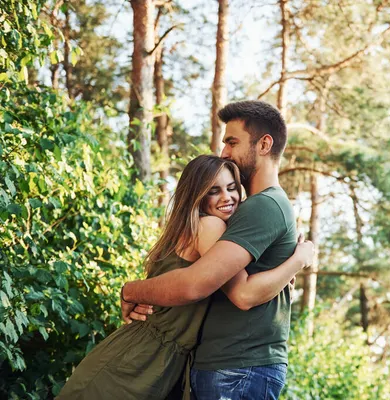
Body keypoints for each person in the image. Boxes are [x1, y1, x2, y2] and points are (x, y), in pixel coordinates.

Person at [57, 155, 313, 400]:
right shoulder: (210, 226)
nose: (227, 197)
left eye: (232, 188)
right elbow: (242, 291)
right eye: (214, 191)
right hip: (141, 359)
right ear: (197, 195)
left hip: (154, 358)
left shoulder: (193, 227)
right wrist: (296, 261)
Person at [122, 100, 299, 399]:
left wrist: (131, 291)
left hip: (238, 369)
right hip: (230, 366)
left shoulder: (264, 205)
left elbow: (205, 285)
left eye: (232, 142)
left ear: (264, 144)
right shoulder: (248, 209)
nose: (224, 152)